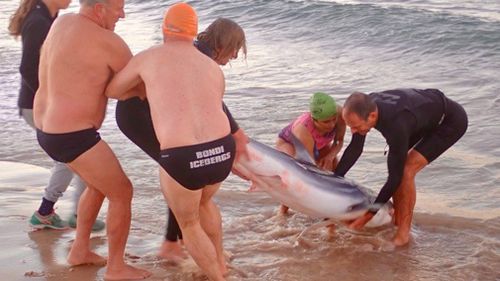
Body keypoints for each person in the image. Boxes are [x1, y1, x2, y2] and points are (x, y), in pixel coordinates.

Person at [106, 3, 234, 280]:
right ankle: (221, 262)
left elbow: (113, 90)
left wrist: (146, 86)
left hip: (183, 157)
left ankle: (218, 277)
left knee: (188, 223)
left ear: (164, 29)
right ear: (193, 33)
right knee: (205, 204)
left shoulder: (148, 57)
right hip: (223, 151)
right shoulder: (212, 67)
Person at [32, 0, 151, 279]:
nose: (123, 14)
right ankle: (116, 267)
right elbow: (136, 88)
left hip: (46, 129)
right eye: (118, 8)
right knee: (122, 191)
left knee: (98, 185)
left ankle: (80, 250)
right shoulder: (108, 41)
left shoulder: (61, 23)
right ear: (99, 8)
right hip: (72, 135)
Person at [8, 0, 105, 231]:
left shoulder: (48, 18)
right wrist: (51, 97)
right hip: (38, 106)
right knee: (75, 156)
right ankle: (52, 213)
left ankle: (70, 213)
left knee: (80, 156)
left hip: (42, 104)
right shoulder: (38, 22)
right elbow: (27, 68)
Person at [335, 89, 468, 246]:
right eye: (351, 127)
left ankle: (403, 234)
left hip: (449, 122)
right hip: (421, 117)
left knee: (405, 171)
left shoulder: (396, 124)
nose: (354, 131)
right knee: (397, 166)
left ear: (372, 116)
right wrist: (334, 179)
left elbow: (394, 178)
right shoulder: (364, 106)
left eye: (356, 127)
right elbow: (355, 149)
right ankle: (397, 221)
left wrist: (368, 215)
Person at [276, 92, 346, 214]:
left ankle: (332, 208)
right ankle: (282, 211)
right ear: (314, 120)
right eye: (326, 122)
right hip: (289, 143)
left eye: (333, 120)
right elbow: (309, 166)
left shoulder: (340, 114)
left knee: (334, 166)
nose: (331, 125)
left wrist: (330, 157)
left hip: (319, 143)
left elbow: (339, 141)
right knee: (296, 173)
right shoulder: (303, 130)